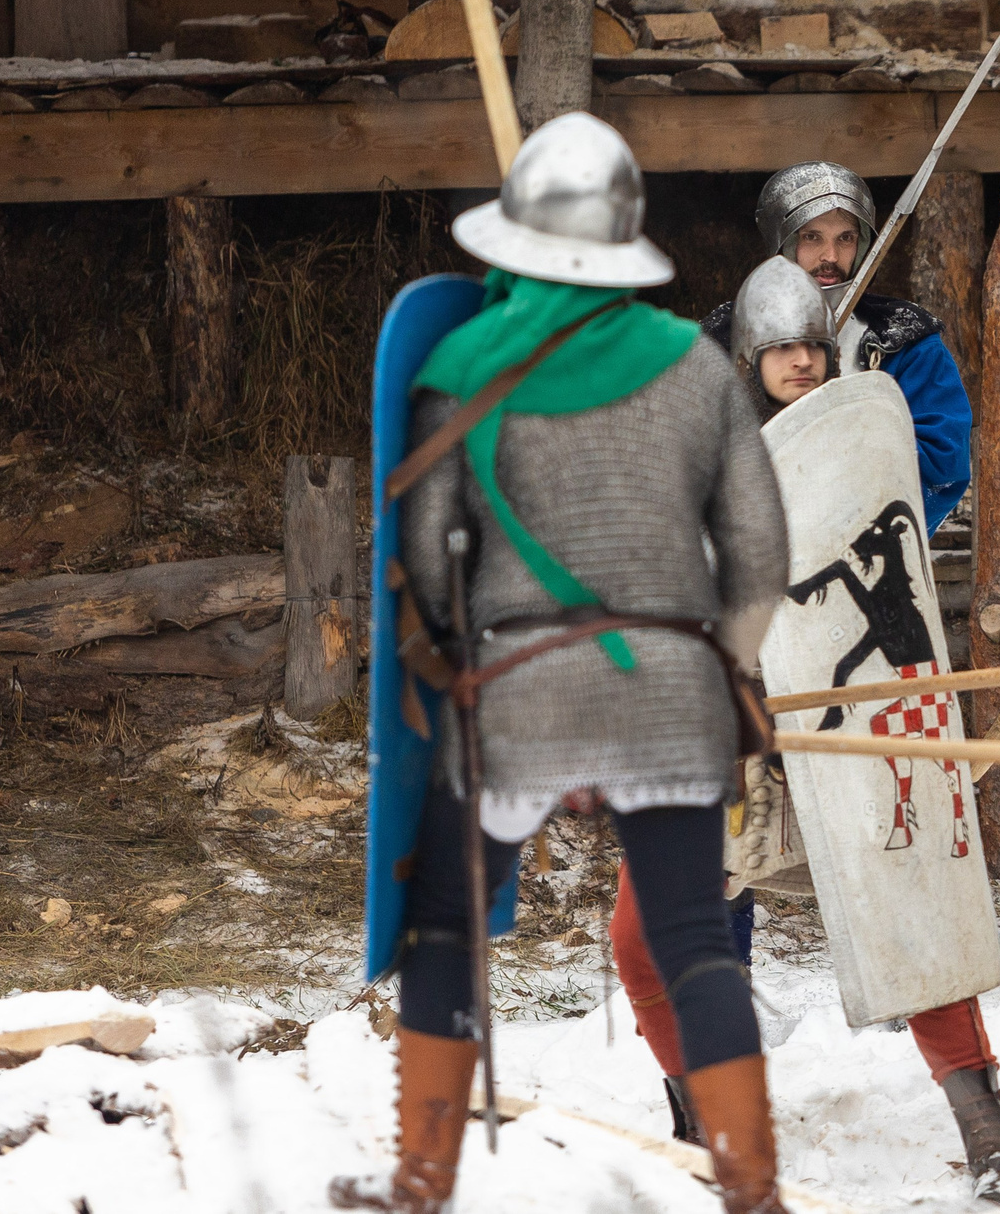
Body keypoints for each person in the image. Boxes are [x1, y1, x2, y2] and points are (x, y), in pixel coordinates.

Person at [336, 113, 791, 1214]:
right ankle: (754, 1188)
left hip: (514, 695)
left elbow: (427, 572)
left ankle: (420, 1181)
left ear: (515, 242)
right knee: (694, 943)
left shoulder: (457, 366)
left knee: (448, 921)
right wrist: (713, 670)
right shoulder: (695, 365)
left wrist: (455, 681)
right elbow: (762, 560)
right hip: (672, 689)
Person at [609, 257, 1000, 1202]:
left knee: (911, 913)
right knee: (641, 940)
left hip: (850, 726)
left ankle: (986, 1128)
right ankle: (705, 1119)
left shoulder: (857, 453)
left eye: (815, 344)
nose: (802, 360)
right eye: (783, 347)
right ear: (750, 355)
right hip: (737, 743)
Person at [701, 161, 973, 532]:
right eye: (812, 236)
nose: (831, 256)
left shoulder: (903, 339)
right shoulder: (721, 337)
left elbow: (942, 463)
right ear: (782, 240)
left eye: (845, 238)